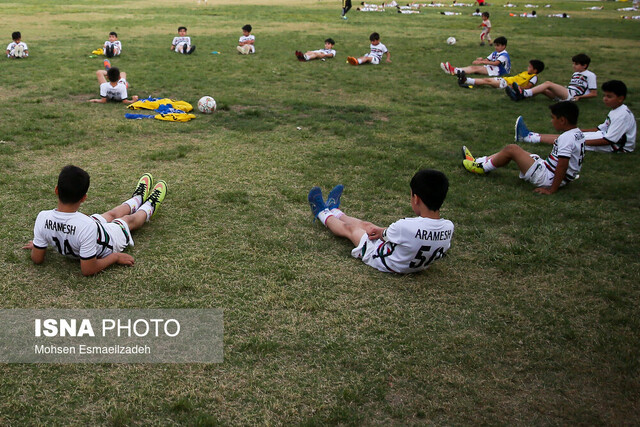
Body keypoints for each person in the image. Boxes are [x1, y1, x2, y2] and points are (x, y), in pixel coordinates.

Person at [23, 166, 167, 276]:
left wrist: (38, 246)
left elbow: (37, 259)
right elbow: (88, 269)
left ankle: (138, 198)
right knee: (127, 220)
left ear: (56, 190)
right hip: (107, 241)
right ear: (84, 198)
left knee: (110, 214)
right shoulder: (87, 225)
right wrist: (115, 257)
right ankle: (149, 205)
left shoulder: (42, 217)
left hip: (87, 228)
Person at [307, 169, 454, 274]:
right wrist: (378, 231)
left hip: (382, 259)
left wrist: (379, 233)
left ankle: (321, 212)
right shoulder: (448, 227)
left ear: (416, 199)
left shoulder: (405, 226)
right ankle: (334, 209)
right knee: (368, 226)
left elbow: (390, 233)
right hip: (410, 260)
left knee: (352, 230)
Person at [462, 101, 585, 195]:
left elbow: (562, 165)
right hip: (553, 173)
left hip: (547, 178)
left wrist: (552, 189)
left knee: (512, 149)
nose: (551, 121)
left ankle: (481, 168)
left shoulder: (566, 138)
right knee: (521, 152)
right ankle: (479, 161)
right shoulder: (578, 134)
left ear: (562, 120)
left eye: (553, 118)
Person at [515, 80, 636, 153]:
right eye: (604, 95)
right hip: (606, 137)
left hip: (616, 147)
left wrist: (582, 141)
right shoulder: (616, 110)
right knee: (571, 135)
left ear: (620, 98)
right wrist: (578, 132)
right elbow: (600, 129)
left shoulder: (622, 115)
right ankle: (532, 135)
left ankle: (528, 138)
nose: (605, 99)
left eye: (609, 97)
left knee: (570, 140)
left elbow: (609, 140)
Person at [506, 53, 596, 102]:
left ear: (584, 65)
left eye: (576, 64)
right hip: (567, 92)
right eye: (573, 63)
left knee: (548, 84)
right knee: (543, 89)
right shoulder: (575, 74)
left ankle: (524, 93)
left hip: (572, 95)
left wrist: (580, 97)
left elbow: (593, 94)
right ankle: (520, 97)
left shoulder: (590, 75)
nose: (573, 66)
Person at [441, 36, 510, 76]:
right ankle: (453, 69)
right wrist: (481, 60)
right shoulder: (495, 53)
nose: (495, 47)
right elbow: (487, 60)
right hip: (493, 68)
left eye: (497, 45)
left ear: (504, 46)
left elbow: (496, 63)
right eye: (495, 45)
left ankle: (452, 70)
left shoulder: (504, 55)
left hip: (498, 71)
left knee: (475, 68)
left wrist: (482, 62)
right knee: (473, 68)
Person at [458, 59, 544, 90]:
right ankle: (466, 80)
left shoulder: (533, 77)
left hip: (507, 84)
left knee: (487, 81)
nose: (528, 67)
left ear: (535, 70)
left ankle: (466, 80)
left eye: (530, 67)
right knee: (486, 80)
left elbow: (528, 87)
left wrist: (516, 88)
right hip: (505, 80)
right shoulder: (525, 73)